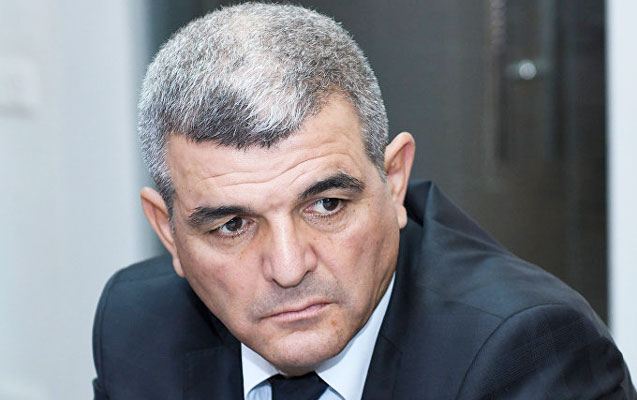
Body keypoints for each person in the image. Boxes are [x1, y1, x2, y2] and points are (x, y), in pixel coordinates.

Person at [92, 3, 636, 399]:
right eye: (232, 225)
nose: (289, 267)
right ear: (168, 232)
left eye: (327, 205)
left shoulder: (525, 352)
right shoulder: (137, 324)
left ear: (394, 181)